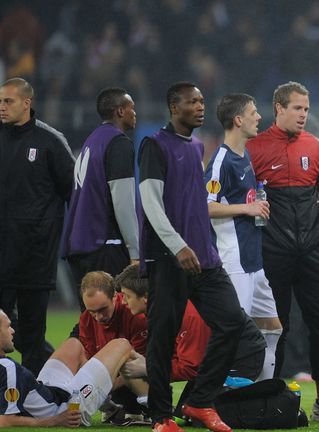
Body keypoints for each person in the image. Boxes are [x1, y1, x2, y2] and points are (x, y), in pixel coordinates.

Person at [138, 81, 250, 432]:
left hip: (204, 258)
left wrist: (204, 245)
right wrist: (177, 246)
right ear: (174, 107)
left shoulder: (197, 146)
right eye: (192, 102)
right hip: (170, 258)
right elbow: (151, 204)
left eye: (202, 101)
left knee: (232, 322)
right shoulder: (153, 145)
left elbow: (191, 204)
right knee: (162, 337)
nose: (201, 107)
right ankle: (160, 417)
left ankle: (199, 401)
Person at [245, 81, 319, 422]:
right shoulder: (254, 148)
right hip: (273, 253)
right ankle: (269, 397)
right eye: (297, 108)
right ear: (278, 108)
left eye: (306, 108)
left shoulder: (315, 147)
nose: (304, 114)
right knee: (277, 327)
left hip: (310, 253)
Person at [0, 77, 74, 375]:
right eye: (0, 102)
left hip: (35, 255)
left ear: (27, 103)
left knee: (31, 334)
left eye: (8, 101)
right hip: (1, 254)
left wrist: (70, 241)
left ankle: (33, 396)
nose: (2, 107)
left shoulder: (50, 141)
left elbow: (73, 194)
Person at [204, 93, 281, 381]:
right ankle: (222, 398)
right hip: (233, 260)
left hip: (254, 259)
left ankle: (262, 394)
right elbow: (205, 206)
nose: (259, 116)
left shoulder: (244, 154)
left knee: (272, 327)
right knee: (233, 334)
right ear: (238, 120)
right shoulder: (221, 160)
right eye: (253, 111)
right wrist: (247, 208)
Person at [114, 264, 266, 389]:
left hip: (241, 355)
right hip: (216, 356)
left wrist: (150, 368)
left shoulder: (189, 312)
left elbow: (191, 367)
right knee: (186, 410)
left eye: (127, 296)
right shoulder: (160, 309)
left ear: (146, 297)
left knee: (204, 411)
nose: (123, 302)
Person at [0, 309, 147, 427]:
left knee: (74, 344)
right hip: (65, 409)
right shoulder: (8, 368)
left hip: (50, 391)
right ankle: (153, 406)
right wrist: (54, 421)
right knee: (121, 345)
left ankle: (102, 401)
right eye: (8, 327)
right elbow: (5, 420)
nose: (13, 331)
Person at [62, 87, 139, 296]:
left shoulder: (92, 141)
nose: (135, 114)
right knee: (111, 318)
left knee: (91, 318)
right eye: (132, 108)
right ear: (120, 111)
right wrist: (135, 251)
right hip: (105, 244)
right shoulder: (118, 143)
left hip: (79, 244)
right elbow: (123, 201)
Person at [77, 270, 149, 424]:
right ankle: (113, 408)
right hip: (112, 383)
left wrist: (100, 389)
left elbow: (143, 364)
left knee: (127, 356)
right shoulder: (85, 320)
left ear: (116, 297)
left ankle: (153, 407)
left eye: (103, 309)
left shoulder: (136, 315)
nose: (98, 317)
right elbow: (90, 359)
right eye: (92, 312)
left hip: (140, 378)